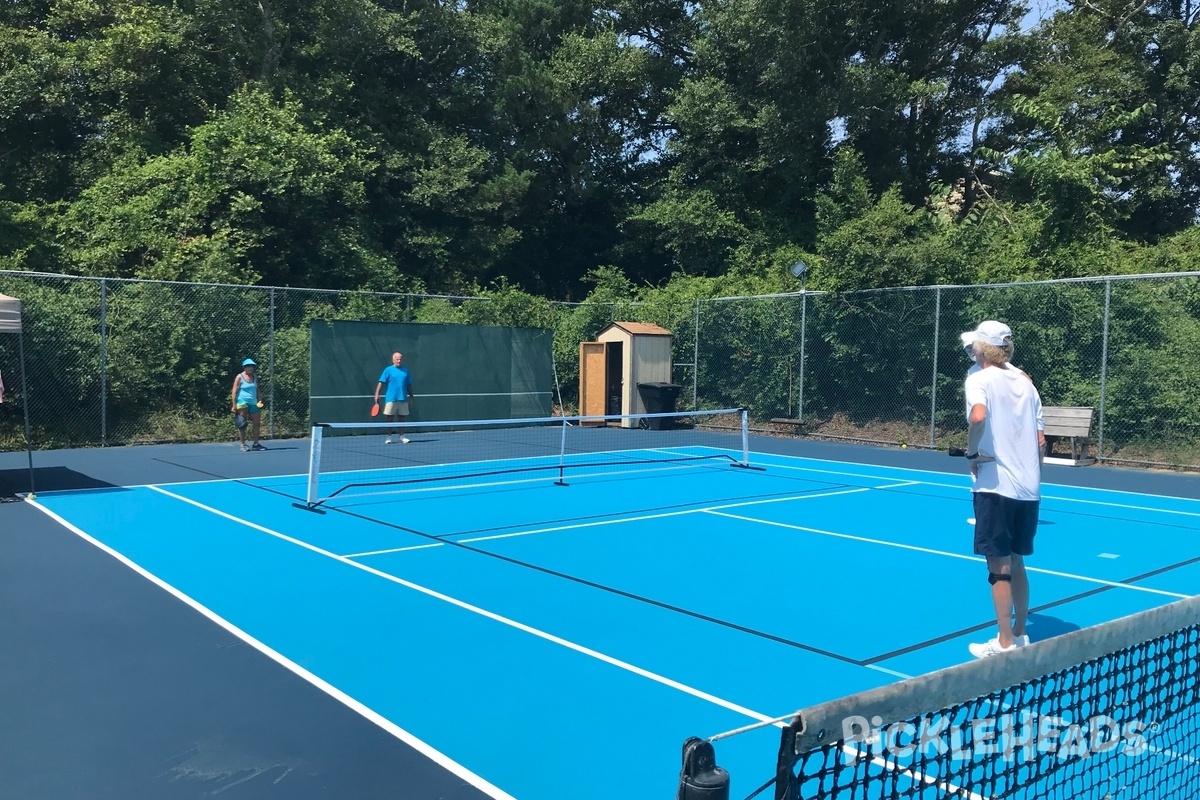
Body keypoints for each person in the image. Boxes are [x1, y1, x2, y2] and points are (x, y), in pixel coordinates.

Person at [961, 321, 1045, 658]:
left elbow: (978, 417)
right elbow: (1040, 441)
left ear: (983, 348)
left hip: (996, 485)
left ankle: (1005, 642)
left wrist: (971, 452)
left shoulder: (978, 379)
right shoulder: (1027, 384)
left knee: (999, 569)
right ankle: (1021, 634)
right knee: (1018, 561)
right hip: (1029, 487)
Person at [374, 351, 415, 444]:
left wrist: (411, 397)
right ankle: (389, 437)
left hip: (403, 398)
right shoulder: (388, 370)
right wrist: (377, 394)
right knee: (389, 418)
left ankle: (402, 436)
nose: (399, 361)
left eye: (400, 359)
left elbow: (409, 385)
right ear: (393, 360)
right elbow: (381, 382)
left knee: (402, 418)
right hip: (391, 398)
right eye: (397, 359)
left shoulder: (406, 371)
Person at [231, 358, 265, 452]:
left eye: (252, 366)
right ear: (244, 367)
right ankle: (243, 444)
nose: (251, 368)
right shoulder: (239, 377)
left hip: (253, 402)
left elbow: (257, 389)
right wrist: (234, 405)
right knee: (242, 424)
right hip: (242, 402)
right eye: (249, 366)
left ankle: (256, 444)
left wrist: (260, 400)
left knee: (257, 423)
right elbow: (234, 392)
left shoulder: (254, 376)